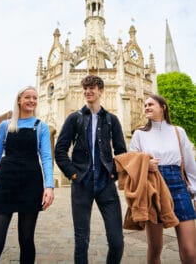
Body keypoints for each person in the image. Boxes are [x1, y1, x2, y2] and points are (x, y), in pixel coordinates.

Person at [0, 85, 54, 264]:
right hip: (5, 184)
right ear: (19, 100)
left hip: (31, 184)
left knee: (26, 241)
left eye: (35, 98)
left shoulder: (41, 127)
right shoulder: (5, 125)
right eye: (28, 97)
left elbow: (47, 158)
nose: (32, 101)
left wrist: (49, 186)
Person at [55, 75, 126, 264]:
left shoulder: (112, 120)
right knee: (81, 240)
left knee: (117, 241)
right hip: (82, 183)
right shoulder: (74, 118)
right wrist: (73, 173)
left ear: (101, 91)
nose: (87, 92)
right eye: (85, 88)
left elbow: (121, 151)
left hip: (106, 184)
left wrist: (115, 173)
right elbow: (60, 150)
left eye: (92, 88)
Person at [129, 94, 196, 264]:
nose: (146, 107)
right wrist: (146, 164)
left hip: (178, 186)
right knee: (155, 248)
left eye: (151, 104)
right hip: (153, 187)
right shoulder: (139, 134)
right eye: (145, 105)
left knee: (190, 250)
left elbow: (189, 164)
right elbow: (130, 163)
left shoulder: (178, 131)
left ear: (163, 107)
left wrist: (194, 192)